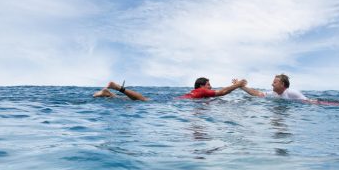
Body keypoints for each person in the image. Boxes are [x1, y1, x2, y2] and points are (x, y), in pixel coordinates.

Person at [233, 74, 339, 104]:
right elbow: (258, 94)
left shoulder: (289, 92)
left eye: (275, 82)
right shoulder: (276, 95)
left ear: (283, 85)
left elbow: (307, 103)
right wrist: (241, 87)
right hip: (317, 104)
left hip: (321, 104)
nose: (272, 84)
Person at [93, 78, 247, 100]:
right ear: (201, 86)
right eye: (208, 84)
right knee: (143, 100)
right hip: (172, 103)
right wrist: (238, 84)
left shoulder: (198, 92)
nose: (210, 87)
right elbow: (222, 92)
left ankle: (109, 94)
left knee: (138, 101)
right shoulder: (202, 91)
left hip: (175, 101)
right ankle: (117, 87)